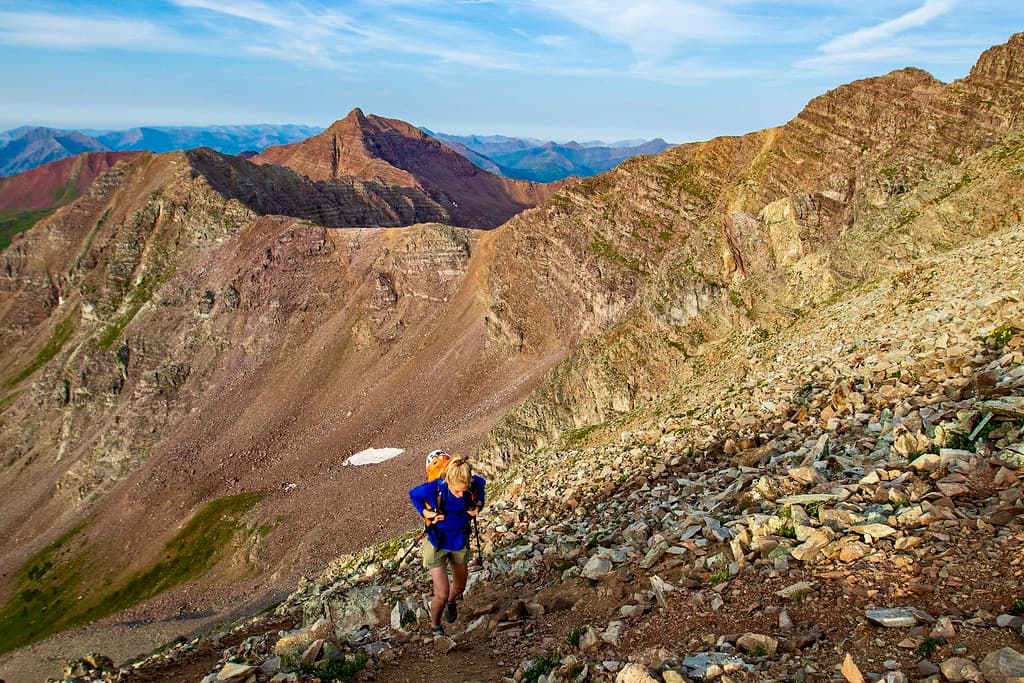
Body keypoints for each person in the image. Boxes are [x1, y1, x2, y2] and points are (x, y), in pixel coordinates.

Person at [408, 456, 485, 636]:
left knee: (459, 587)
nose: (461, 495)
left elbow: (481, 487)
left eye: (464, 491)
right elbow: (414, 495)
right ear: (448, 481)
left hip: (459, 539)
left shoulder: (473, 484)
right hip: (437, 541)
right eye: (458, 491)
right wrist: (427, 513)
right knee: (441, 593)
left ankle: (451, 601)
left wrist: (478, 505)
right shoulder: (434, 488)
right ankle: (435, 625)